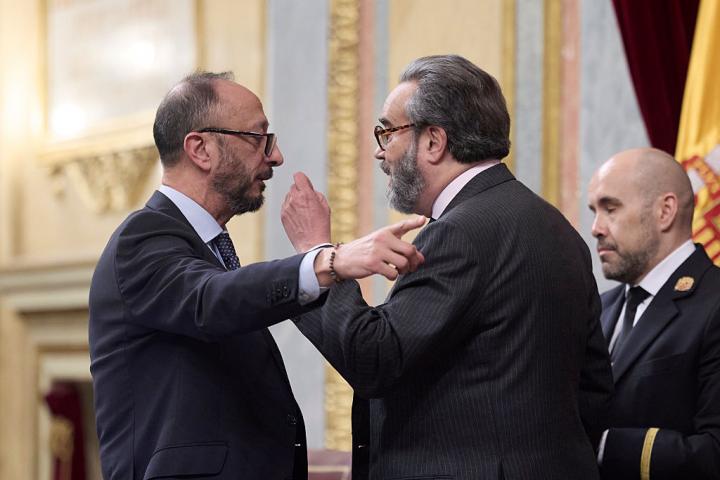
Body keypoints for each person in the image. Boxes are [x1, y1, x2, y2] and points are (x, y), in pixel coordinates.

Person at [282, 54, 613, 480]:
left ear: (434, 141)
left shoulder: (461, 232)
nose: (380, 153)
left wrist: (318, 256)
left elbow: (374, 359)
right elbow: (594, 392)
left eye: (387, 133)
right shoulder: (558, 228)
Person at [88, 71, 424, 480]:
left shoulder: (206, 247)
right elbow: (209, 300)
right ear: (201, 149)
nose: (276, 156)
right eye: (258, 138)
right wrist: (327, 260)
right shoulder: (141, 237)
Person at [588, 147, 720, 479]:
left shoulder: (714, 303)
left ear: (665, 211)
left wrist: (601, 446)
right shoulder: (601, 308)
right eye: (594, 211)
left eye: (611, 208)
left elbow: (714, 452)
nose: (596, 228)